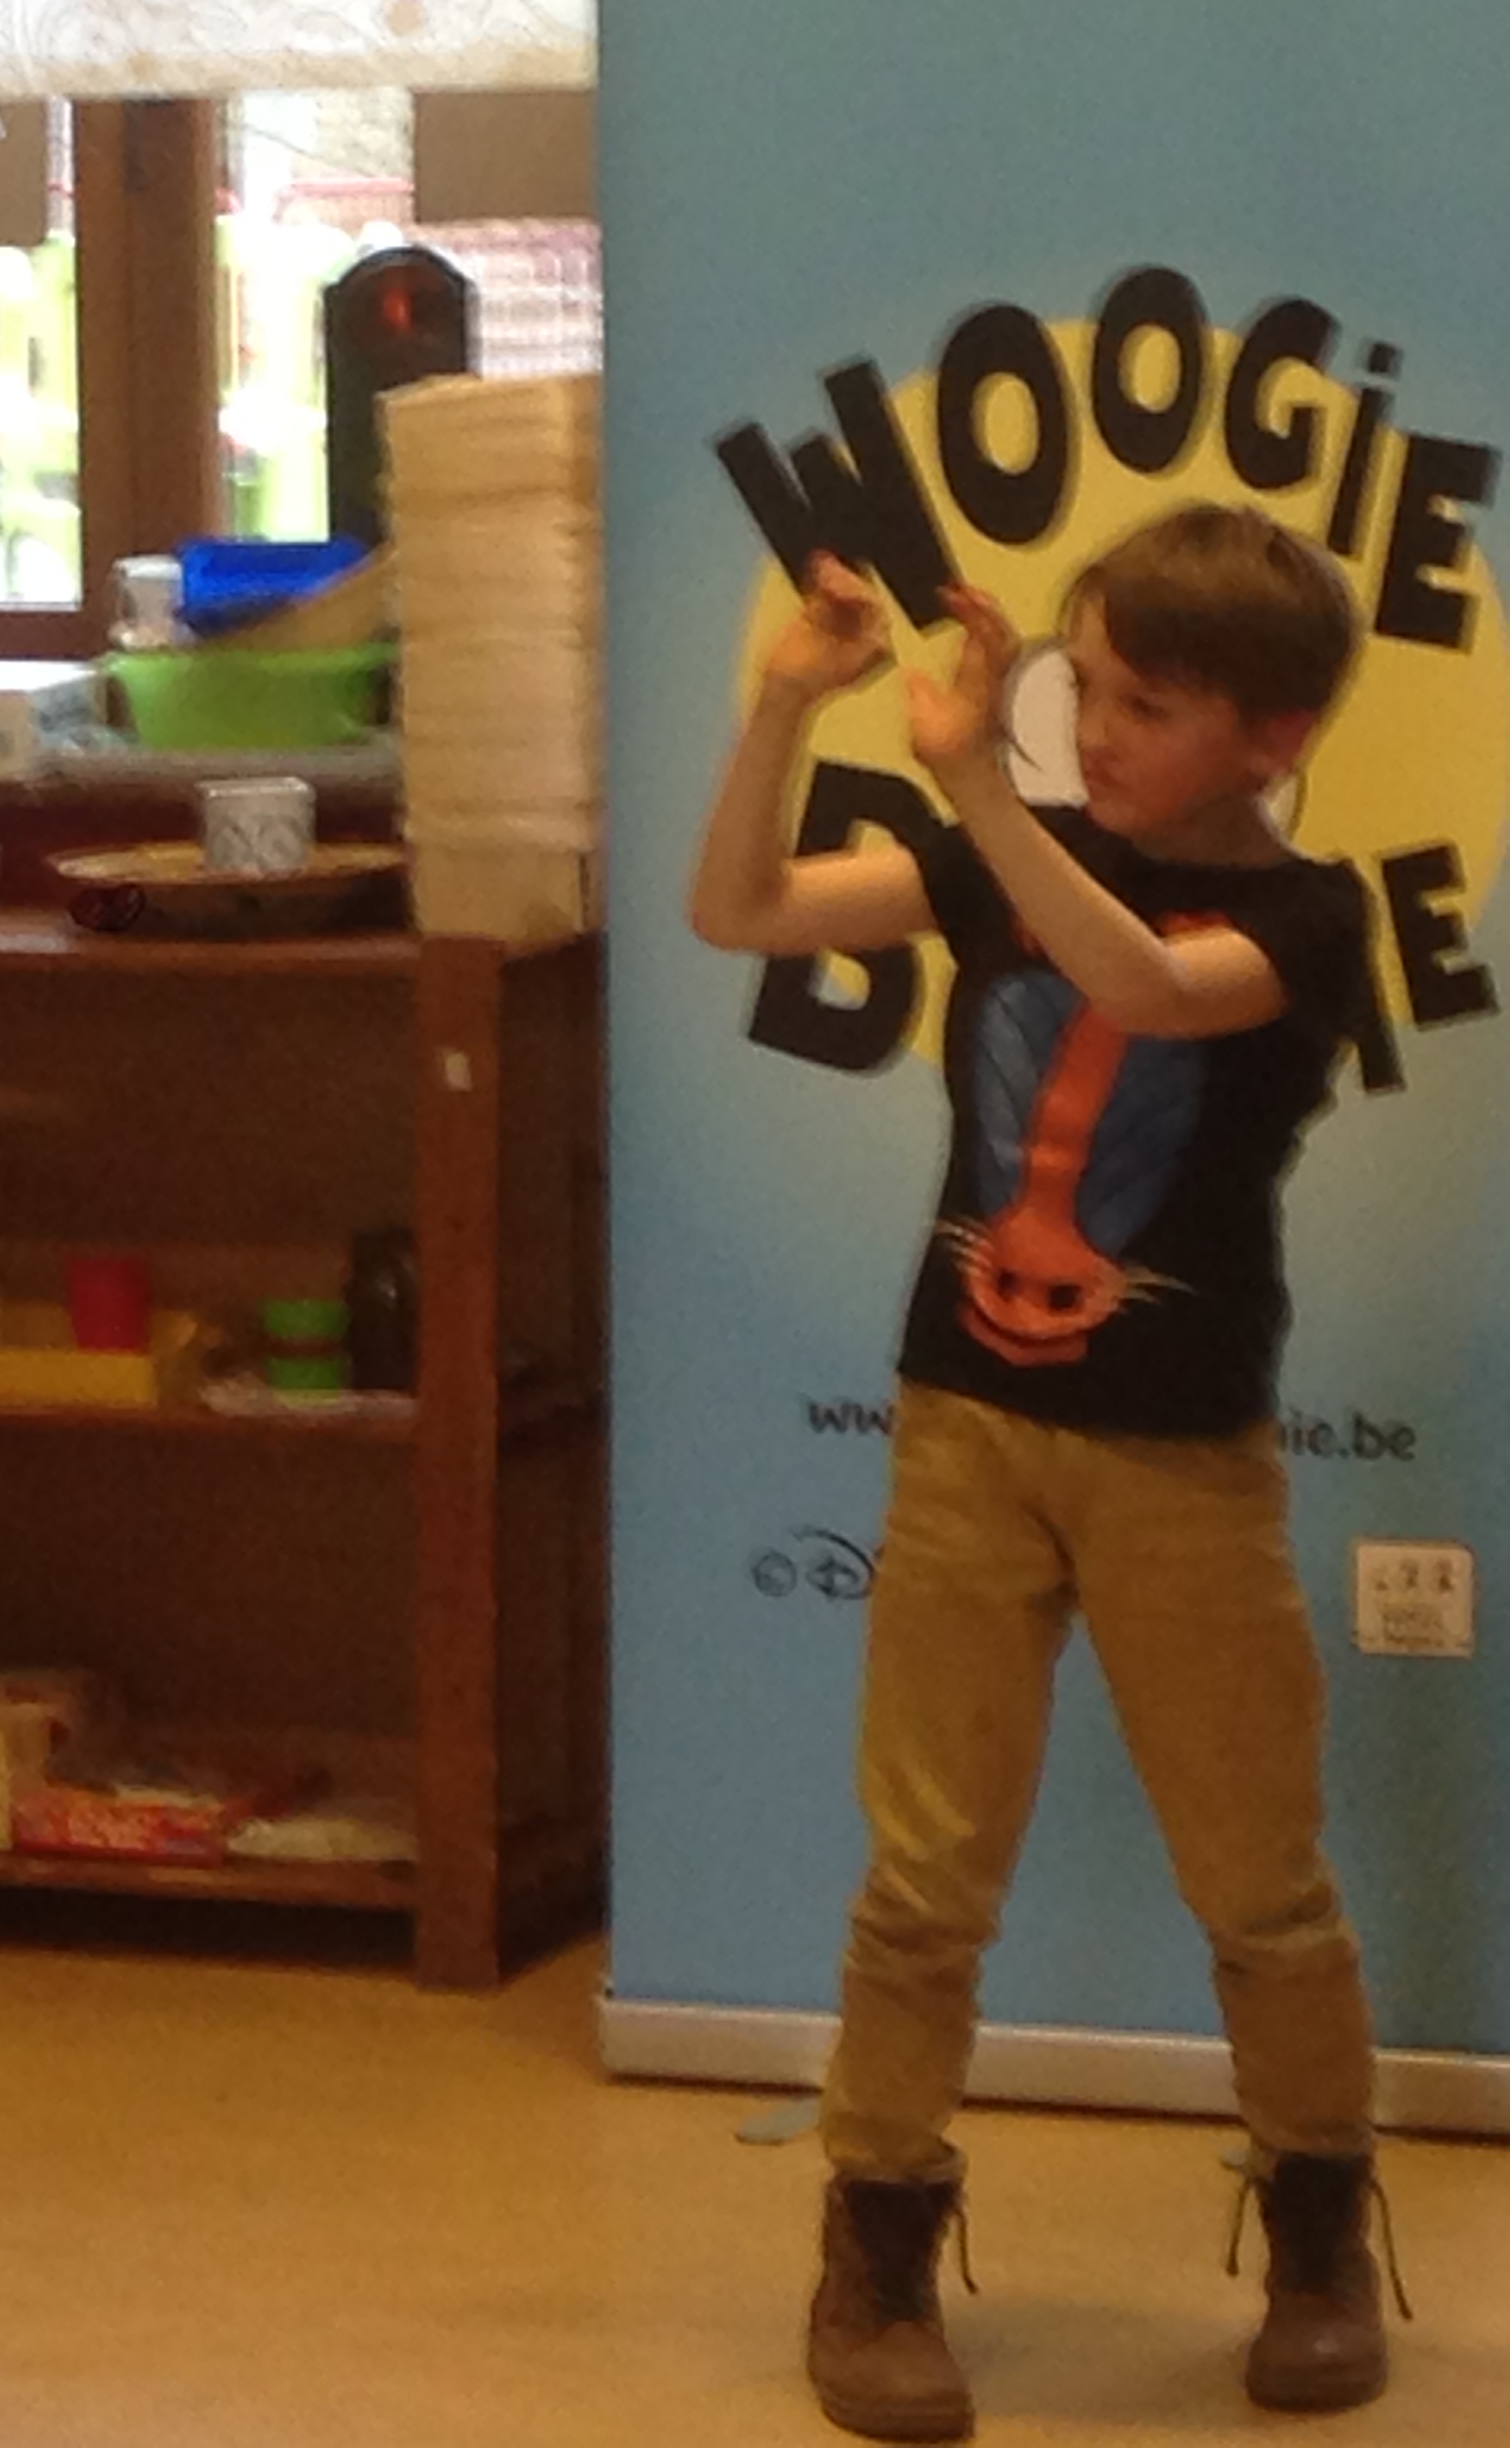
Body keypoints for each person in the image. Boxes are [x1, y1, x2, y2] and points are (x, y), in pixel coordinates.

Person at [685, 506, 1398, 2442]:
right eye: (1087, 688)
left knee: (1262, 1881)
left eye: (1149, 707)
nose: (1098, 731)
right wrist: (788, 704)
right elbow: (736, 910)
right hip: (964, 1436)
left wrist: (981, 791)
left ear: (1275, 734)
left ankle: (1321, 2231)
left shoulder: (1311, 919)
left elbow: (1146, 986)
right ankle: (877, 2241)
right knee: (924, 1876)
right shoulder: (1005, 851)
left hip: (1184, 1462)